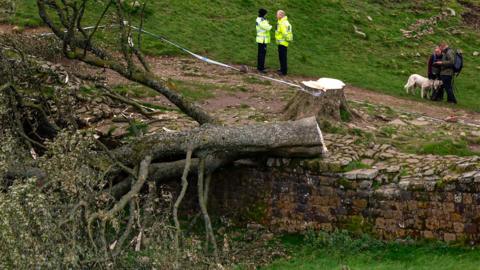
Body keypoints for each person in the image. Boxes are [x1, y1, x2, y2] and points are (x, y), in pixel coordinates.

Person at [275, 10, 293, 76]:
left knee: (282, 57)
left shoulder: (282, 23)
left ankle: (283, 71)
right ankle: (282, 68)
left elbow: (284, 32)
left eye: (277, 14)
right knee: (282, 56)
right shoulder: (283, 21)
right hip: (282, 42)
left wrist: (286, 39)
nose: (276, 15)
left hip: (283, 42)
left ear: (281, 15)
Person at [256, 8, 272, 73]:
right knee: (262, 54)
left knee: (260, 53)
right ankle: (261, 68)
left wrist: (267, 23)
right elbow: (268, 27)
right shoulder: (262, 20)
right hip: (263, 39)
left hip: (260, 38)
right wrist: (269, 25)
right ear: (264, 14)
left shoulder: (259, 19)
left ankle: (260, 66)